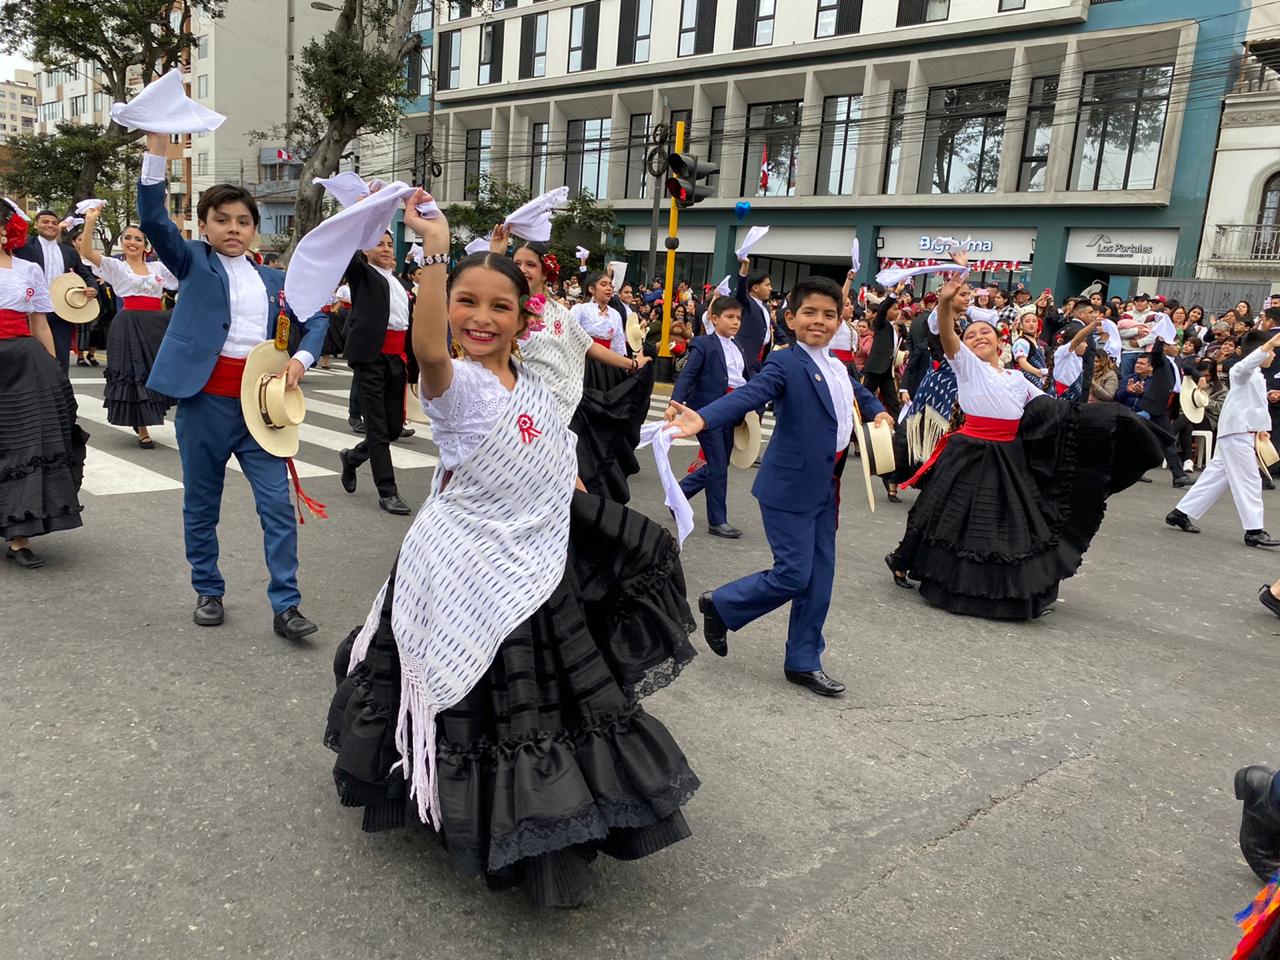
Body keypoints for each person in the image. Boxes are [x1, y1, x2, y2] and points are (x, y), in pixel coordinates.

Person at [325, 193, 699, 909]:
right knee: (469, 692)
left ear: (525, 316)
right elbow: (429, 348)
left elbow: (555, 454)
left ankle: (541, 819)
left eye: (501, 305)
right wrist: (434, 253)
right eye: (467, 301)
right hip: (461, 562)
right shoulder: (454, 383)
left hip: (535, 556)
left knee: (539, 701)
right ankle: (463, 808)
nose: (482, 317)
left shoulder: (533, 381)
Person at [885, 252, 1162, 620]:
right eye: (971, 335)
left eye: (985, 333)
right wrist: (949, 299)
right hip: (970, 451)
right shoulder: (965, 366)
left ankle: (1013, 588)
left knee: (1013, 524)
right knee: (941, 514)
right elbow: (948, 335)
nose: (978, 337)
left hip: (1009, 455)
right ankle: (911, 562)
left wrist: (1109, 420)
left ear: (1000, 344)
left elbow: (1055, 411)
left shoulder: (1017, 378)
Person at [137, 130, 328, 639]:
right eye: (222, 220)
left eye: (243, 221)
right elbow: (154, 218)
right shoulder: (191, 261)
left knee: (277, 507)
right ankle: (208, 589)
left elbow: (317, 321)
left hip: (260, 410)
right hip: (204, 404)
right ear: (204, 226)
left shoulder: (277, 281)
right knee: (202, 504)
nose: (233, 228)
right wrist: (157, 150)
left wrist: (302, 359)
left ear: (256, 231)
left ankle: (286, 605)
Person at [665, 275, 894, 698]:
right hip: (788, 487)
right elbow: (751, 394)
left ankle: (803, 661)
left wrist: (879, 411)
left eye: (829, 314)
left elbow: (858, 394)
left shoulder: (839, 366)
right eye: (809, 312)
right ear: (790, 318)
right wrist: (703, 418)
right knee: (793, 574)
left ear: (840, 320)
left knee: (818, 580)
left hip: (828, 488)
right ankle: (723, 604)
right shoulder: (787, 362)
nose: (819, 321)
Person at [490, 228, 653, 503]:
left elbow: (587, 345)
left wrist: (631, 363)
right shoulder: (506, 307)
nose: (522, 269)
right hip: (517, 409)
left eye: (530, 264)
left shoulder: (558, 312)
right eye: (516, 263)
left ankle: (589, 525)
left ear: (545, 273)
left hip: (561, 406)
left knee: (567, 482)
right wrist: (496, 254)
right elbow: (486, 291)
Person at [0, 213, 86, 569]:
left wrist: (54, 370)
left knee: (27, 446)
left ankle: (20, 535)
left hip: (25, 362)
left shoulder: (27, 270)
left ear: (7, 229)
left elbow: (39, 323)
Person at [1166, 330, 1280, 548]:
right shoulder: (1241, 370)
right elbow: (1242, 367)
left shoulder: (1255, 374)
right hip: (1238, 433)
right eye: (1272, 351)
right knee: (1249, 481)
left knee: (1216, 477)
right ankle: (1254, 530)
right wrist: (1269, 344)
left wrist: (1262, 427)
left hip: (1243, 431)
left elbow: (1252, 403)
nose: (1274, 355)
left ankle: (1180, 513)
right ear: (1260, 352)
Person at [76, 206, 178, 447]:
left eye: (138, 239)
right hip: (129, 323)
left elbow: (183, 278)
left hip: (156, 323)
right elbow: (87, 251)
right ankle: (142, 428)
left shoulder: (159, 268)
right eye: (128, 238)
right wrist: (90, 221)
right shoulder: (116, 266)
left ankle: (160, 414)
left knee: (159, 372)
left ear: (146, 245)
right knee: (135, 374)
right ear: (122, 243)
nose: (133, 242)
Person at [337, 231, 413, 516]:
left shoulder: (399, 282)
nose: (386, 249)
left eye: (390, 244)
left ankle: (353, 457)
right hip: (372, 358)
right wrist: (362, 218)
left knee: (393, 428)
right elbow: (350, 258)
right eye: (379, 243)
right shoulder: (362, 274)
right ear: (364, 251)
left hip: (397, 359)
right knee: (378, 428)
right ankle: (388, 491)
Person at [669, 296, 748, 539]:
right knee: (717, 464)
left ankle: (677, 496)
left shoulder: (739, 347)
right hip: (707, 411)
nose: (735, 322)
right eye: (730, 317)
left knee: (719, 463)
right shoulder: (703, 344)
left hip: (732, 410)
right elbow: (688, 375)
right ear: (714, 319)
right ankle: (718, 520)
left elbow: (744, 379)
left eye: (738, 318)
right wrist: (675, 404)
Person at [12, 209, 98, 376]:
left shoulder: (69, 252)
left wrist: (92, 288)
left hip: (61, 311)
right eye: (45, 222)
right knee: (30, 355)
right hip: (30, 311)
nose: (50, 225)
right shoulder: (24, 245)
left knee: (60, 356)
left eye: (53, 222)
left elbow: (86, 274)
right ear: (36, 225)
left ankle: (60, 395)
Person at [733, 257, 772, 376]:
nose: (771, 289)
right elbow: (740, 290)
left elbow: (772, 327)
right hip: (747, 355)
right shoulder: (746, 302)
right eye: (767, 285)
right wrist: (745, 267)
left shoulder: (766, 308)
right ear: (755, 288)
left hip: (762, 357)